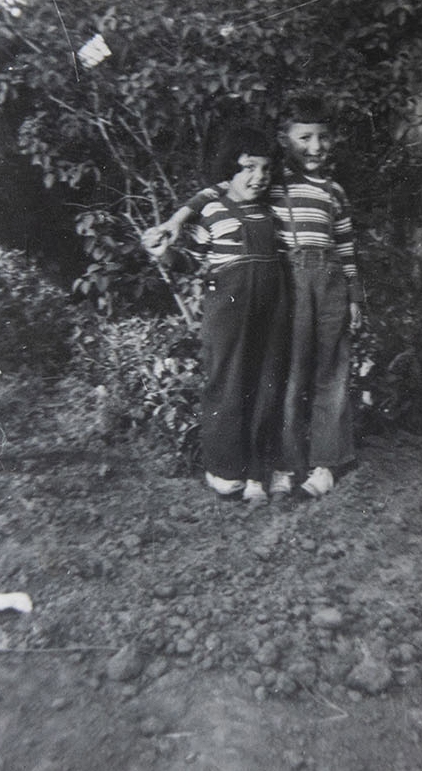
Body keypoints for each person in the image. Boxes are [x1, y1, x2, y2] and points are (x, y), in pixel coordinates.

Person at [146, 94, 360, 499]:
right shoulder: (250, 195)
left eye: (323, 138)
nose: (315, 148)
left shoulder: (319, 194)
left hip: (308, 292)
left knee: (305, 376)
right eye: (304, 138)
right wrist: (173, 227)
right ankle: (262, 463)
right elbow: (213, 200)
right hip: (261, 296)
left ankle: (304, 464)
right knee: (265, 378)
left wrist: (354, 295)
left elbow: (347, 246)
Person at [142, 126, 287, 503]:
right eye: (248, 168)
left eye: (265, 169)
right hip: (227, 307)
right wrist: (162, 251)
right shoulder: (212, 209)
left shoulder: (272, 210)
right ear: (230, 171)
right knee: (226, 382)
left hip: (272, 308)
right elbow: (189, 261)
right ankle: (225, 469)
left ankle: (259, 470)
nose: (259, 177)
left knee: (267, 382)